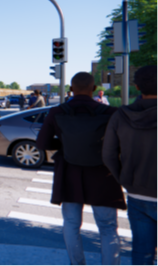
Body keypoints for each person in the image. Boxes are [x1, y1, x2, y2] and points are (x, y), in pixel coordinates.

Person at [36, 72, 123, 266]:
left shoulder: (58, 112)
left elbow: (42, 143)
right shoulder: (110, 113)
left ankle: (77, 264)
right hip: (103, 174)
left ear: (71, 89)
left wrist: (66, 145)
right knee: (108, 227)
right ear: (93, 89)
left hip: (69, 173)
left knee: (72, 224)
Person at [103, 65, 158, 266]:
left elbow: (108, 155)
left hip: (137, 194)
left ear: (137, 87)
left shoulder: (121, 115)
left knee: (142, 253)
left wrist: (125, 179)